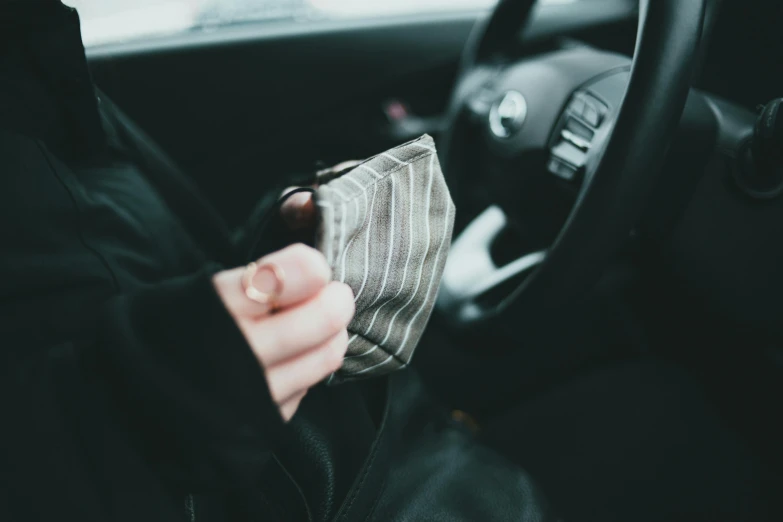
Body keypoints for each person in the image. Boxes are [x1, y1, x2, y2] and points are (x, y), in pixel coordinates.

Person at [0, 1, 552, 520]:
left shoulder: (31, 59)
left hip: (356, 441)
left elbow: (141, 263)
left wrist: (281, 237)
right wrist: (113, 424)